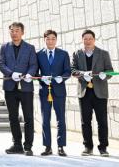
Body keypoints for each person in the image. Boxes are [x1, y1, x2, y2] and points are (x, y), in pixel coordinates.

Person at [71, 29, 114, 157]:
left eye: (90, 38)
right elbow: (73, 70)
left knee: (102, 121)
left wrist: (104, 75)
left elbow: (110, 71)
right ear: (82, 40)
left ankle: (103, 147)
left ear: (94, 40)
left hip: (100, 92)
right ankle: (88, 146)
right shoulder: (77, 54)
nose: (88, 41)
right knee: (85, 121)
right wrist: (82, 74)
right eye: (85, 39)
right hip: (84, 92)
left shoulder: (103, 54)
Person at [0, 22, 38, 156]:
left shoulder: (30, 48)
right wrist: (11, 74)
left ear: (22, 32)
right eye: (12, 30)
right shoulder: (4, 47)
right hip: (10, 87)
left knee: (28, 117)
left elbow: (34, 65)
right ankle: (17, 144)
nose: (14, 33)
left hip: (26, 87)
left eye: (17, 30)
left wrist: (29, 75)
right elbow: (1, 64)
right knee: (13, 117)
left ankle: (28, 146)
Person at [36, 29, 70, 156]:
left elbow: (67, 71)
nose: (50, 41)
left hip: (59, 90)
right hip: (45, 91)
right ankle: (47, 147)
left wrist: (63, 78)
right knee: (45, 119)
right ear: (44, 39)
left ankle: (61, 146)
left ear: (56, 40)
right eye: (48, 38)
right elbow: (35, 71)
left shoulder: (63, 54)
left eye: (53, 39)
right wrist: (41, 78)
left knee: (61, 119)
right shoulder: (38, 54)